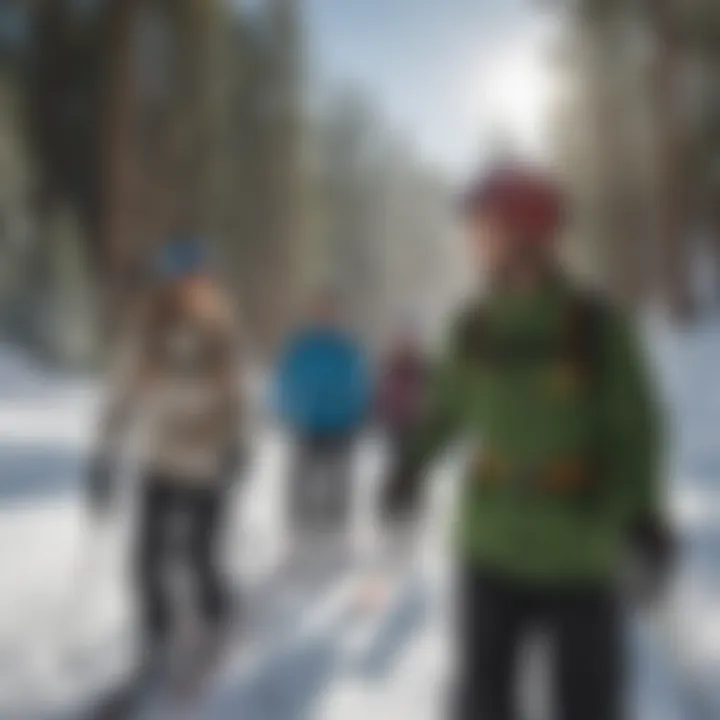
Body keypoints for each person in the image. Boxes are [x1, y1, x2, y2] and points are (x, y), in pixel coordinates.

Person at [382, 164, 675, 720]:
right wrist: (408, 466)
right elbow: (445, 410)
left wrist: (644, 519)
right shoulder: (473, 327)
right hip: (490, 549)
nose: (472, 243)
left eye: (482, 229)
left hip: (581, 553)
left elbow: (635, 433)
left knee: (588, 706)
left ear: (524, 235)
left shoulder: (597, 328)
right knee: (481, 705)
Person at [87, 237, 245, 672]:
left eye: (195, 277)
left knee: (201, 557)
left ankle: (216, 622)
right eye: (179, 278)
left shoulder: (220, 333)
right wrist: (104, 454)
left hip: (208, 464)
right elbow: (121, 394)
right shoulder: (147, 331)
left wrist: (240, 445)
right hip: (159, 461)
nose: (187, 287)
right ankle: (157, 637)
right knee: (146, 558)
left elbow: (237, 399)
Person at [275, 290, 371, 560]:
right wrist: (285, 409)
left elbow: (360, 383)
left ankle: (335, 533)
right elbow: (285, 379)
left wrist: (360, 413)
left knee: (338, 481)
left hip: (340, 424)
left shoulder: (347, 347)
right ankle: (299, 532)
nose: (326, 315)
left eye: (330, 310)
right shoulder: (302, 346)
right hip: (308, 422)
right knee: (301, 479)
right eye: (321, 310)